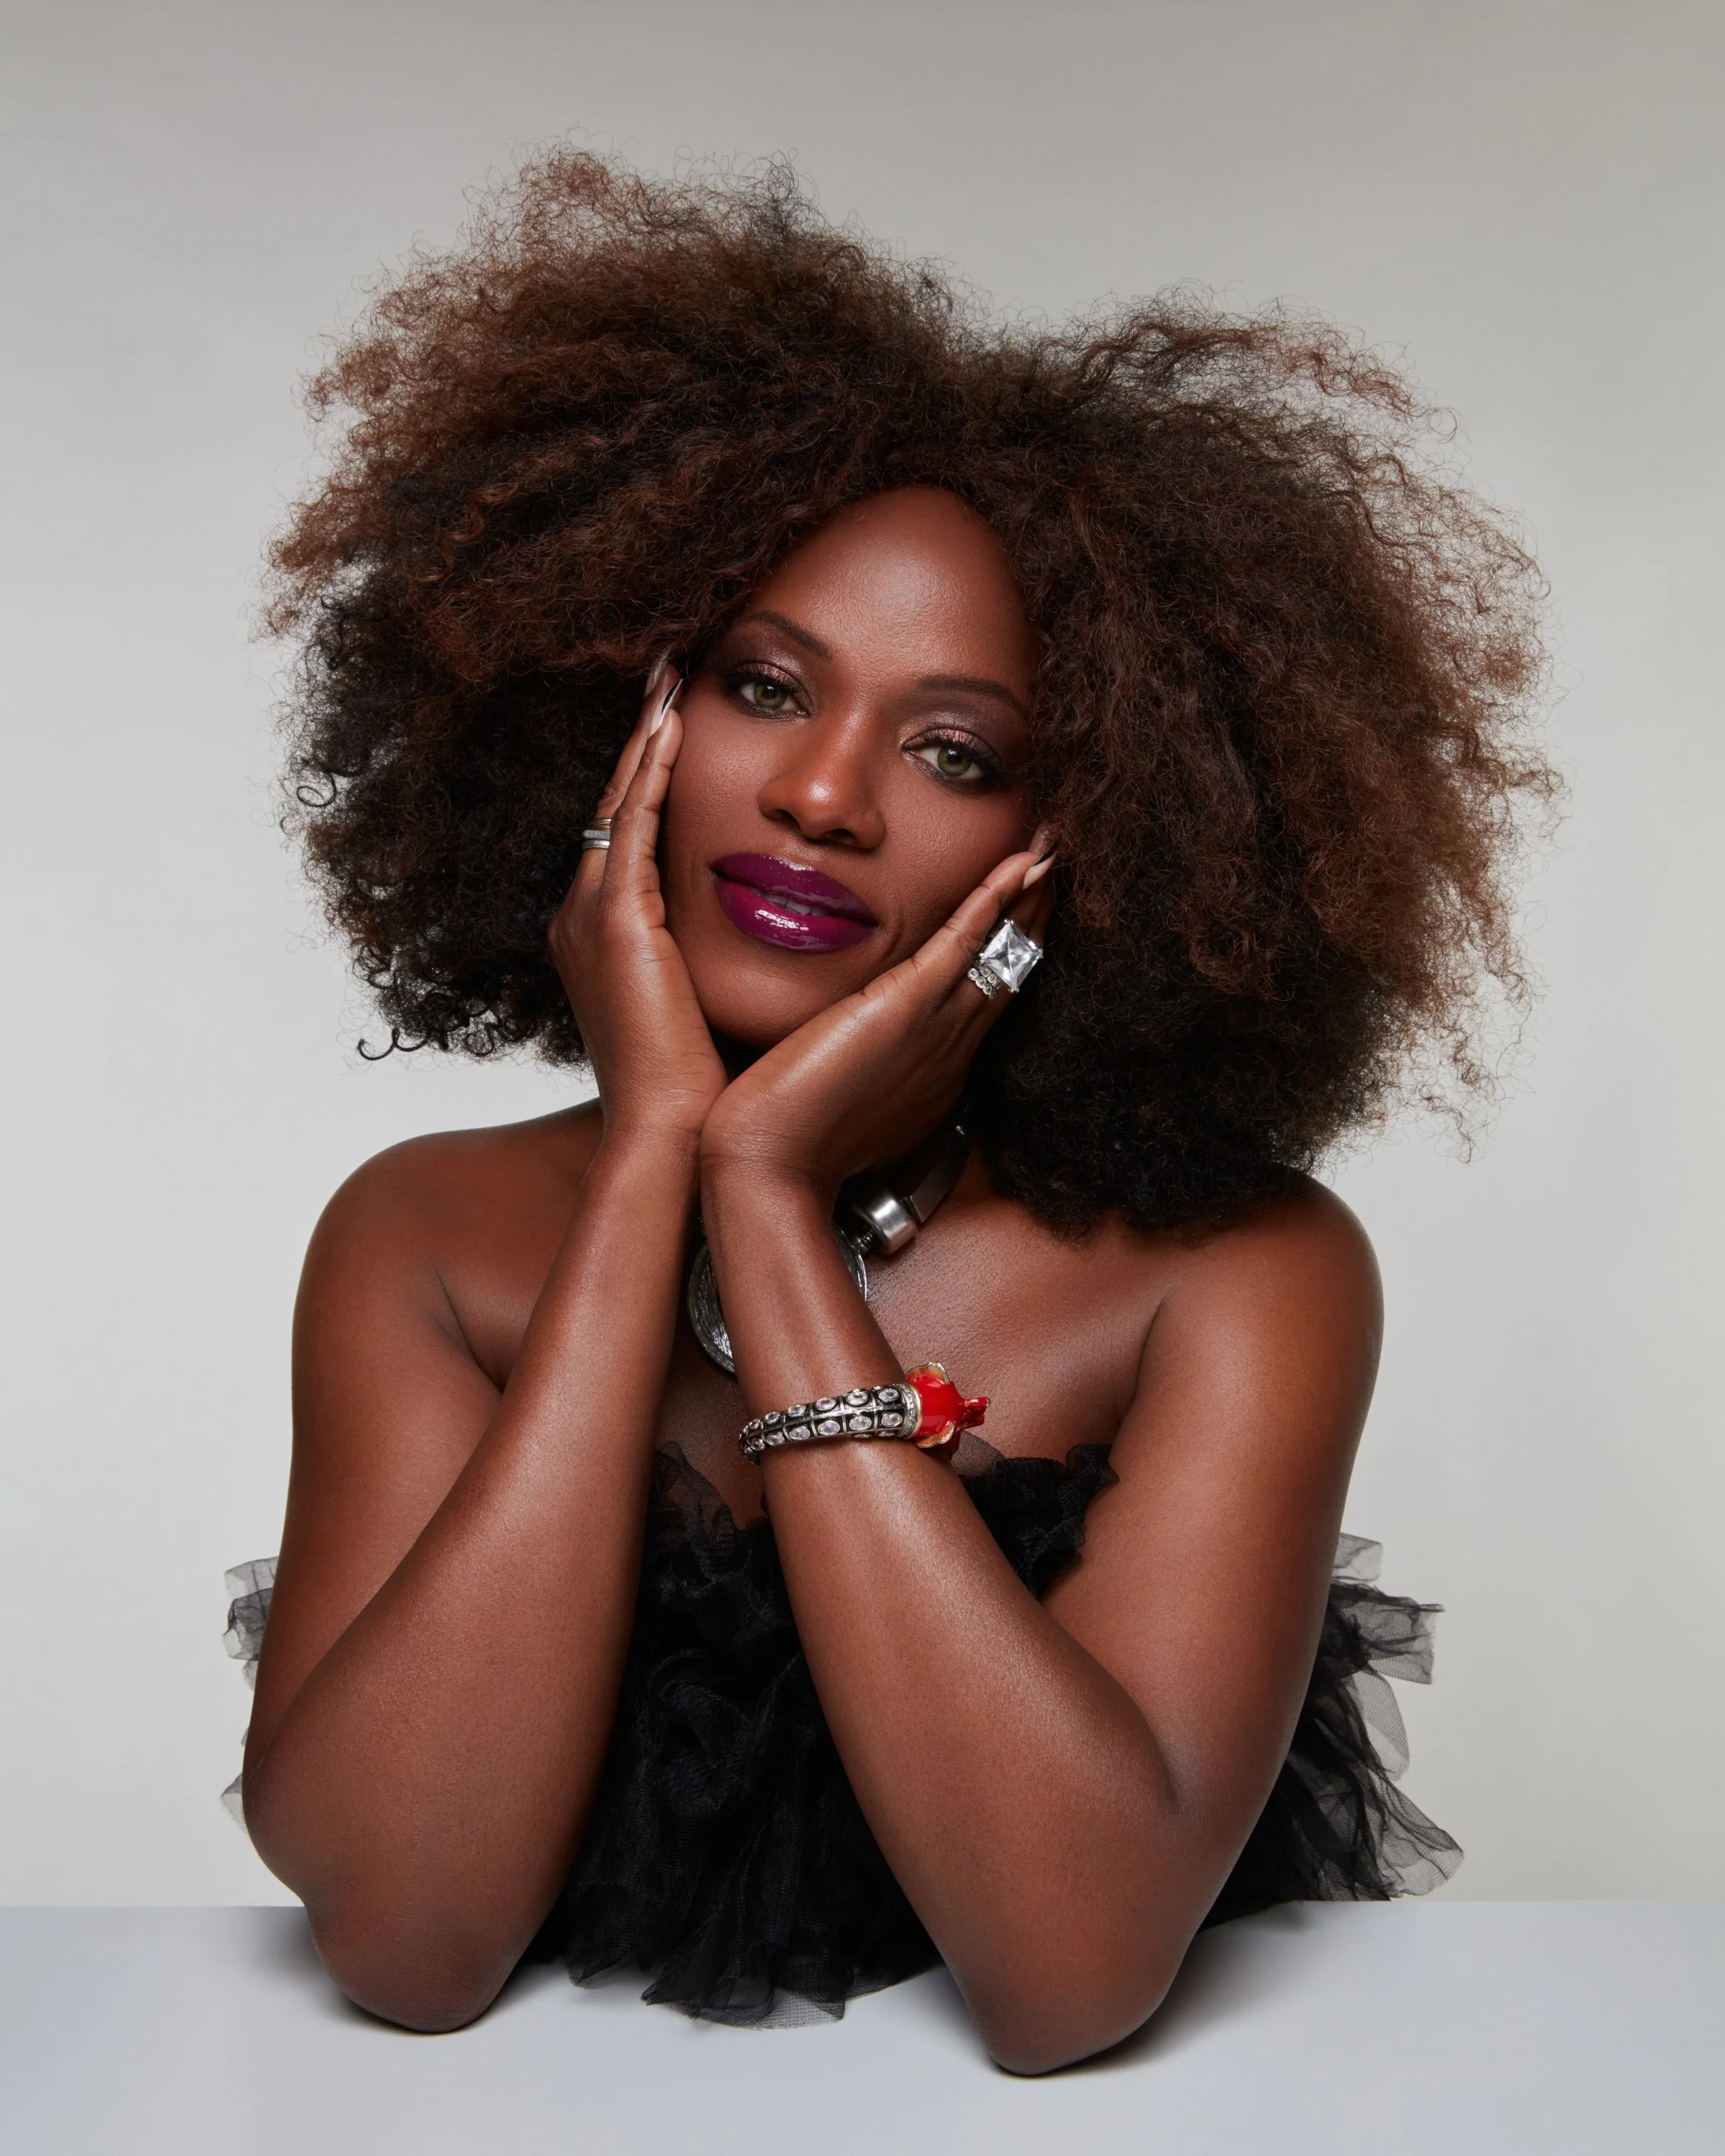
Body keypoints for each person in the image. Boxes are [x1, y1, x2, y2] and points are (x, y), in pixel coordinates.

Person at [227, 153, 1550, 2073]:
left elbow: (1067, 1978)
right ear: (618, 724)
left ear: (1076, 845)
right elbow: (411, 1940)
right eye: (766, 687)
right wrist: (648, 1180)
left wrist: (765, 1196)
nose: (826, 798)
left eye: (954, 748)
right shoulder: (425, 1240)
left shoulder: (1241, 1278)